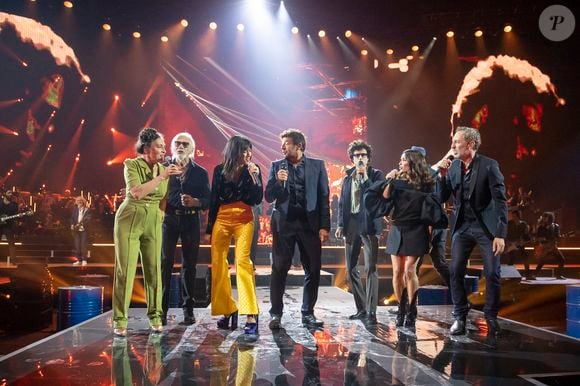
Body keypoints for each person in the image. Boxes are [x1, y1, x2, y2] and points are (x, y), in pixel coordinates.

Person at [437, 126, 507, 336]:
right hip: (462, 226)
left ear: (470, 144)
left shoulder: (489, 166)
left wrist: (500, 234)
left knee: (493, 272)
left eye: (456, 142)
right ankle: (460, 315)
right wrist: (441, 175)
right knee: (455, 270)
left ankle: (491, 316)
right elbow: (442, 197)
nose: (453, 147)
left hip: (485, 227)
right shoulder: (454, 168)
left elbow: (500, 201)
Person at [112, 127, 182, 337]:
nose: (163, 150)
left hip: (153, 220)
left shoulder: (164, 168)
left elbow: (163, 198)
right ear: (146, 147)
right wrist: (162, 176)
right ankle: (120, 320)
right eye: (159, 146)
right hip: (130, 218)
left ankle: (155, 316)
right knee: (126, 270)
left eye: (163, 146)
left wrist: (160, 215)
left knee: (154, 270)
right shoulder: (131, 165)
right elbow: (137, 192)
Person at [265, 129, 330, 329]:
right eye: (282, 144)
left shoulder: (317, 166)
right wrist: (278, 182)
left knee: (313, 268)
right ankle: (276, 313)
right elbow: (268, 196)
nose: (282, 147)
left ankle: (308, 312)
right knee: (279, 268)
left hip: (309, 225)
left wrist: (324, 226)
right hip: (284, 224)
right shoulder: (277, 166)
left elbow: (323, 197)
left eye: (286, 143)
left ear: (299, 145)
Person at [365, 148, 435, 329]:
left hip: (417, 229)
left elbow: (432, 208)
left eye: (403, 160)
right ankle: (401, 307)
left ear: (412, 162)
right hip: (398, 228)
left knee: (410, 270)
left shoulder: (426, 182)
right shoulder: (397, 181)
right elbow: (385, 196)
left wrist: (431, 235)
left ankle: (412, 310)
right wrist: (390, 179)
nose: (400, 162)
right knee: (397, 272)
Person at [206, 135, 263, 337]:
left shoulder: (253, 171)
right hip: (222, 217)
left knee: (243, 262)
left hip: (244, 218)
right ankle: (228, 308)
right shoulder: (219, 170)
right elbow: (213, 200)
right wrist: (208, 228)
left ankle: (250, 314)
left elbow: (256, 199)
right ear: (235, 151)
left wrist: (254, 177)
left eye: (250, 150)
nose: (248, 154)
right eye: (245, 150)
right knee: (218, 263)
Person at [161, 132, 210, 326]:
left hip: (191, 221)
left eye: (185, 144)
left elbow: (208, 199)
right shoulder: (164, 168)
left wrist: (195, 202)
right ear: (172, 147)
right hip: (169, 220)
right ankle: (161, 311)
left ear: (192, 148)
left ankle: (188, 310)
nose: (181, 146)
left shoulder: (200, 172)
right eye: (177, 143)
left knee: (189, 265)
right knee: (165, 263)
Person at [335, 140, 384, 324]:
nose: (361, 158)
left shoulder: (376, 175)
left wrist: (364, 178)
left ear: (368, 158)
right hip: (352, 224)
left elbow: (375, 194)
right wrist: (340, 224)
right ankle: (361, 308)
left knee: (371, 268)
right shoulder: (347, 178)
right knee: (351, 268)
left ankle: (371, 311)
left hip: (370, 224)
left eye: (363, 155)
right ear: (352, 158)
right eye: (357, 155)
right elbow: (342, 203)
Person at [533, 211, 565, 279]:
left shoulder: (556, 226)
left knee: (561, 259)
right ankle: (534, 274)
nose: (544, 218)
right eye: (543, 217)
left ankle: (559, 275)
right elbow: (537, 237)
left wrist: (560, 237)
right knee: (542, 261)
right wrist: (542, 239)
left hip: (553, 246)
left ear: (550, 218)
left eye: (545, 217)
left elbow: (557, 236)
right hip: (544, 246)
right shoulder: (541, 227)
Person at [503, 209, 532, 279]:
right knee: (511, 260)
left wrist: (523, 241)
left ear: (518, 216)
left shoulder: (523, 224)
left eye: (514, 216)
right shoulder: (509, 223)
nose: (513, 217)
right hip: (511, 244)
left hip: (519, 244)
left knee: (525, 258)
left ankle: (528, 275)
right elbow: (506, 234)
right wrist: (508, 242)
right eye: (512, 216)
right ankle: (509, 275)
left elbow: (526, 235)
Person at [71, 196, 91, 266]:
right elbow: (72, 218)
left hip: (84, 230)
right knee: (77, 245)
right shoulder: (75, 210)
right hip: (76, 231)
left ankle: (84, 260)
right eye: (78, 201)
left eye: (80, 201)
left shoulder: (87, 210)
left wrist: (81, 223)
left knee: (83, 245)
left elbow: (88, 219)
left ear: (83, 202)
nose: (79, 202)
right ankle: (79, 260)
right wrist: (72, 224)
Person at [0, 190, 18, 261]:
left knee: (11, 243)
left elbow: (15, 216)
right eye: (9, 193)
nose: (10, 194)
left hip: (8, 226)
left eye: (11, 193)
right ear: (5, 194)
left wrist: (18, 216)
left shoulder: (14, 205)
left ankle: (13, 260)